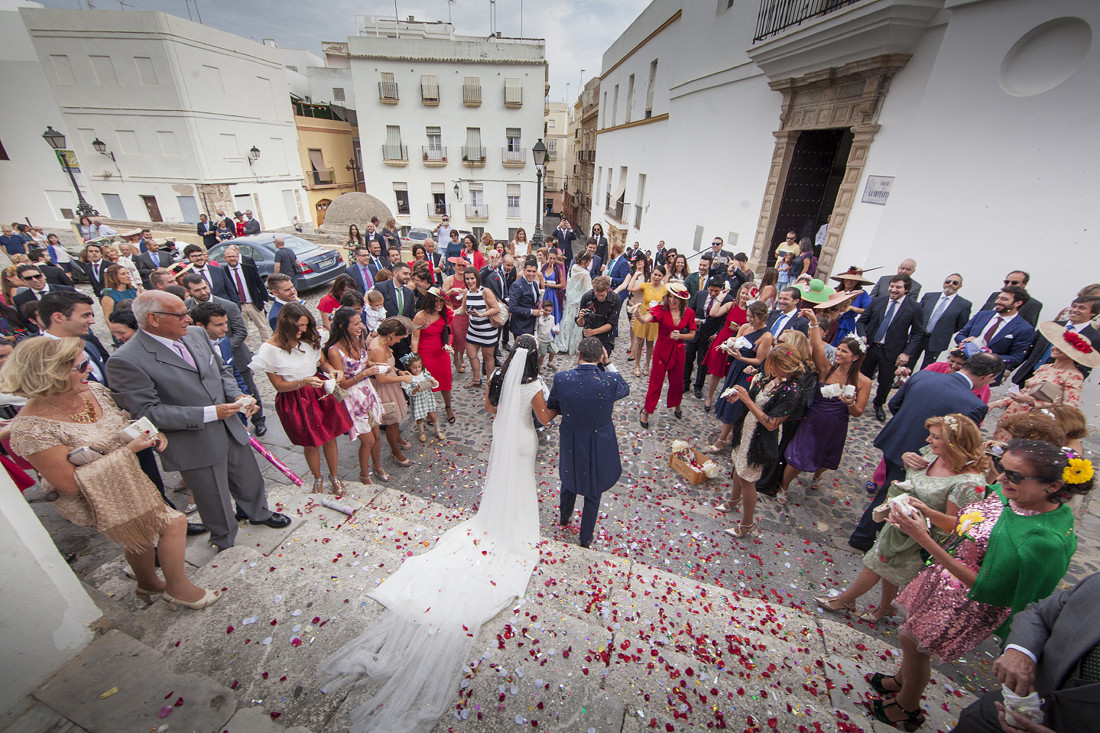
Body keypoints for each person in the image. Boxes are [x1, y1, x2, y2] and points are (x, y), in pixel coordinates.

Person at [321, 334, 549, 732]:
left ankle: (497, 519)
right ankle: (517, 524)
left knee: (501, 482)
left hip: (502, 437)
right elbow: (543, 419)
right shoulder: (534, 385)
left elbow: (490, 409)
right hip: (523, 441)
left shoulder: (497, 375)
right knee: (521, 482)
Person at [864, 440, 1088, 730]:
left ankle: (907, 707)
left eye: (1015, 475)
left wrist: (922, 537)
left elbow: (990, 589)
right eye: (1002, 467)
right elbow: (963, 524)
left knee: (914, 643)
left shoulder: (1044, 541)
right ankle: (901, 680)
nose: (1001, 478)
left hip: (969, 601)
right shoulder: (1008, 495)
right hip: (943, 579)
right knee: (910, 637)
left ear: (1053, 486)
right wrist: (926, 511)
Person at [2, 337, 219, 610]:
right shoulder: (31, 428)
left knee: (138, 536)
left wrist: (149, 432)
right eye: (81, 366)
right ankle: (178, 589)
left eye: (86, 363)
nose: (90, 370)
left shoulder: (93, 390)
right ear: (52, 374)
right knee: (174, 522)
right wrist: (128, 451)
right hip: (95, 495)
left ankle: (148, 583)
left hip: (126, 478)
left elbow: (121, 422)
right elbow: (68, 484)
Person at [106, 291, 289, 551]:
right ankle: (224, 540)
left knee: (248, 477)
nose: (188, 319)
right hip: (193, 440)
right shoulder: (126, 360)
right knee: (212, 497)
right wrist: (211, 413)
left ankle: (258, 512)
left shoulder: (196, 334)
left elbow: (221, 370)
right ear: (154, 319)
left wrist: (237, 395)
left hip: (229, 427)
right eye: (180, 315)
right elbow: (147, 411)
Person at [817, 414, 987, 622]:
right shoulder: (934, 454)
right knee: (888, 568)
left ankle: (845, 600)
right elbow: (915, 475)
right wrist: (906, 458)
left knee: (877, 563)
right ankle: (885, 608)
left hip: (921, 538)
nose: (928, 440)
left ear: (955, 443)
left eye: (935, 437)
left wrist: (926, 511)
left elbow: (956, 525)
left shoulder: (968, 484)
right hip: (900, 524)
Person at [847, 352, 1002, 552]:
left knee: (889, 489)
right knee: (892, 495)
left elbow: (894, 405)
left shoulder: (923, 376)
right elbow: (960, 441)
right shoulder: (975, 404)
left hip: (896, 440)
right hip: (922, 457)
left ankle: (869, 533)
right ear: (988, 377)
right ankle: (862, 537)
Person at [951, 572, 1100, 733]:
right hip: (996, 715)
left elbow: (986, 586)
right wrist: (1020, 651)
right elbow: (1039, 614)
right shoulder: (1096, 584)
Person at [252, 303, 352, 495]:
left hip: (319, 392)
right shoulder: (269, 349)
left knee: (330, 437)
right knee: (310, 442)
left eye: (306, 325)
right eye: (299, 326)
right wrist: (302, 382)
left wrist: (332, 370)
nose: (303, 330)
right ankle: (317, 478)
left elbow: (322, 362)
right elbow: (279, 386)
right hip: (295, 399)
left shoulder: (308, 338)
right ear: (284, 322)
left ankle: (334, 476)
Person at [544, 336, 630, 548]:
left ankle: (564, 517)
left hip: (572, 438)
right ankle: (585, 537)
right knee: (593, 490)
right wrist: (608, 364)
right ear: (601, 357)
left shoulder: (562, 379)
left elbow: (553, 404)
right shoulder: (610, 381)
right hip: (599, 441)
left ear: (579, 355)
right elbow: (625, 388)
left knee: (569, 479)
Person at [778, 309, 871, 502]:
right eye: (838, 349)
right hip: (813, 420)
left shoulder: (864, 382)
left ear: (855, 357)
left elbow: (858, 412)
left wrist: (850, 403)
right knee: (799, 457)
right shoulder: (826, 369)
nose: (838, 353)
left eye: (844, 351)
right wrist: (813, 322)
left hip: (836, 424)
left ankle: (817, 475)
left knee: (827, 458)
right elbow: (817, 346)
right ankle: (782, 488)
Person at [720, 347, 806, 538]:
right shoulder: (773, 378)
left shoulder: (792, 391)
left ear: (785, 366)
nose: (769, 368)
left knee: (747, 479)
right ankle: (734, 500)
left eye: (773, 365)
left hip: (760, 438)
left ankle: (747, 523)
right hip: (747, 430)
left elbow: (771, 424)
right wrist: (739, 396)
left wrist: (747, 401)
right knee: (738, 466)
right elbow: (756, 399)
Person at [181, 273, 267, 436]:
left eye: (205, 287)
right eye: (197, 290)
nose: (203, 292)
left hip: (236, 358)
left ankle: (258, 421)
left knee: (249, 389)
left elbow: (240, 332)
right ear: (188, 291)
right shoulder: (187, 311)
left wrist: (222, 348)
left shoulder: (228, 308)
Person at [991, 322, 1092, 441]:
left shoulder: (1074, 376)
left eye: (1062, 347)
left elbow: (1069, 408)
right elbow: (1024, 393)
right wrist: (996, 404)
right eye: (1056, 344)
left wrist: (1033, 402)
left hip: (1036, 420)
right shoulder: (1045, 368)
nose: (1055, 348)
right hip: (1014, 413)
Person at [325, 307, 387, 484]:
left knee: (377, 436)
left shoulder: (357, 339)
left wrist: (374, 365)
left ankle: (377, 466)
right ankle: (364, 474)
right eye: (356, 323)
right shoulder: (334, 351)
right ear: (342, 325)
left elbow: (363, 362)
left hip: (368, 393)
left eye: (360, 322)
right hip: (352, 399)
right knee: (368, 441)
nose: (361, 326)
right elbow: (342, 384)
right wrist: (365, 373)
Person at [857, 274, 926, 421]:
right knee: (863, 375)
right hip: (871, 347)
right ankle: (858, 399)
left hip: (892, 351)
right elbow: (862, 321)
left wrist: (907, 353)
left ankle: (878, 404)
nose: (893, 290)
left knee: (886, 381)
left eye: (898, 287)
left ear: (906, 289)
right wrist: (863, 335)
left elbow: (917, 333)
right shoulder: (877, 301)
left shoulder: (914, 307)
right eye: (892, 286)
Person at [634, 282, 695, 428]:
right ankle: (646, 411)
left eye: (675, 298)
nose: (672, 301)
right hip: (662, 349)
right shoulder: (661, 309)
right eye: (670, 297)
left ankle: (677, 404)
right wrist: (637, 314)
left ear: (682, 300)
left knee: (677, 381)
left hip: (678, 350)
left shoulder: (689, 313)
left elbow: (692, 334)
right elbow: (645, 319)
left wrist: (681, 336)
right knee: (656, 382)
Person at [1013, 295, 1100, 385]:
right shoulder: (1051, 326)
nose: (1075, 310)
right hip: (1024, 377)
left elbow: (1085, 367)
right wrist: (1009, 368)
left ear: (1093, 313)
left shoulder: (1094, 338)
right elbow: (1027, 349)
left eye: (1082, 308)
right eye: (1074, 306)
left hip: (1052, 384)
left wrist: (1064, 385)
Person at [955, 285, 1036, 378]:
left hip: (987, 374)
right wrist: (966, 342)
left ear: (1018, 303)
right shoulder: (982, 315)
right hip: (961, 366)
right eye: (998, 298)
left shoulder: (1024, 328)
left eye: (1004, 299)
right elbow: (960, 335)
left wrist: (990, 357)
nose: (998, 301)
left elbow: (1017, 357)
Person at [371, 319, 416, 465]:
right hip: (384, 388)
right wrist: (401, 379)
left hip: (391, 384)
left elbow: (387, 366)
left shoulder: (383, 343)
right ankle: (395, 452)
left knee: (395, 418)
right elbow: (380, 378)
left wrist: (398, 371)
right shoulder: (378, 349)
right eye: (399, 338)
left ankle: (397, 439)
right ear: (391, 335)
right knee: (392, 420)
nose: (398, 341)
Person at [412, 286, 455, 424]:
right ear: (430, 301)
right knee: (427, 385)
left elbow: (449, 333)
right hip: (425, 354)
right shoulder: (420, 316)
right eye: (436, 301)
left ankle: (448, 407)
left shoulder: (445, 314)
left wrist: (449, 345)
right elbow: (415, 338)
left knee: (446, 382)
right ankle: (430, 412)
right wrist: (415, 359)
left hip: (441, 354)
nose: (439, 304)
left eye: (441, 301)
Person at [460, 268, 501, 389]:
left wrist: (482, 314)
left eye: (472, 278)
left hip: (487, 330)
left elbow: (496, 308)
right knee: (471, 355)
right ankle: (476, 379)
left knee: (488, 356)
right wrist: (453, 312)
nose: (470, 281)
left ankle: (489, 381)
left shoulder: (485, 291)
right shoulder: (466, 292)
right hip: (473, 330)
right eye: (467, 279)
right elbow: (463, 308)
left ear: (477, 278)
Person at [221, 244, 271, 339]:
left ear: (238, 256)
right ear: (225, 258)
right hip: (238, 305)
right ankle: (248, 347)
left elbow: (260, 284)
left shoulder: (249, 268)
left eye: (234, 256)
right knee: (243, 330)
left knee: (262, 326)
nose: (232, 259)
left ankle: (267, 343)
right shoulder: (223, 272)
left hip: (253, 303)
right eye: (229, 257)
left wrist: (264, 299)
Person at [629, 264, 667, 377]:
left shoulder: (664, 289)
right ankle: (637, 365)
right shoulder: (646, 286)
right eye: (655, 274)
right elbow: (630, 288)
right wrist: (635, 275)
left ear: (662, 277)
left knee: (650, 342)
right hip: (644, 314)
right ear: (651, 274)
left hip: (655, 318)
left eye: (659, 275)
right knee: (639, 342)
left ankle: (647, 364)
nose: (656, 277)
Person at [555, 251, 593, 355]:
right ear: (585, 261)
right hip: (579, 300)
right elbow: (588, 290)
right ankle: (572, 345)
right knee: (576, 323)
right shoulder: (585, 274)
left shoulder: (574, 267)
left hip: (571, 298)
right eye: (589, 261)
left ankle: (563, 343)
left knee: (567, 320)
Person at [576, 275, 622, 356]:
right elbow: (580, 324)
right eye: (597, 295)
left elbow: (611, 324)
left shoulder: (615, 299)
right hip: (588, 337)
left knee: (603, 361)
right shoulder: (587, 297)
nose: (600, 298)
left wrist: (593, 332)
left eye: (602, 295)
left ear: (607, 290)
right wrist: (581, 318)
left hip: (606, 337)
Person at [828, 267, 875, 343]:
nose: (849, 281)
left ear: (857, 282)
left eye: (852, 280)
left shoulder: (861, 294)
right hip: (831, 322)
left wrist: (852, 308)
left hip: (847, 325)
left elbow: (868, 311)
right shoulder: (835, 290)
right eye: (847, 279)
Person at [403, 354, 443, 442]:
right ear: (409, 367)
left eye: (419, 367)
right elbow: (408, 392)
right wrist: (415, 390)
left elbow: (433, 381)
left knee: (432, 415)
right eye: (414, 367)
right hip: (417, 401)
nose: (417, 369)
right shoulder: (408, 378)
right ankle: (421, 432)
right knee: (419, 418)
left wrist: (433, 382)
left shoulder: (424, 373)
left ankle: (438, 430)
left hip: (427, 398)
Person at [508, 256, 542, 338]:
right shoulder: (517, 285)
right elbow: (512, 307)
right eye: (529, 271)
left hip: (531, 325)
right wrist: (531, 312)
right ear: (524, 270)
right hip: (520, 326)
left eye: (533, 271)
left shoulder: (534, 284)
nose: (531, 274)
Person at [540, 248, 566, 324]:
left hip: (553, 294)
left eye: (554, 259)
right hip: (544, 292)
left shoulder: (558, 270)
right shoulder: (543, 267)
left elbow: (563, 284)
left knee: (552, 311)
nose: (552, 260)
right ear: (547, 257)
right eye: (550, 258)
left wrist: (551, 286)